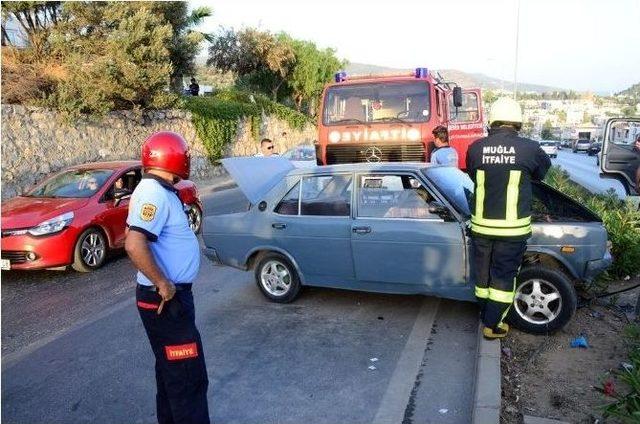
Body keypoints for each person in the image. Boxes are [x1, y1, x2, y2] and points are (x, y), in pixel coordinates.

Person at [125, 132, 210, 424]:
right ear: (175, 156)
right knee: (187, 377)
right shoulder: (153, 193)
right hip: (166, 300)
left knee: (170, 372)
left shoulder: (161, 190)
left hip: (171, 298)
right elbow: (134, 243)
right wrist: (163, 283)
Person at [466, 97, 551, 339]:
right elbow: (541, 174)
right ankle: (492, 325)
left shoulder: (476, 147)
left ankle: (485, 314)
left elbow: (474, 175)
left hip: (481, 227)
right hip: (512, 230)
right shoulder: (530, 148)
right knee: (503, 276)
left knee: (483, 276)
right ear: (518, 123)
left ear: (491, 122)